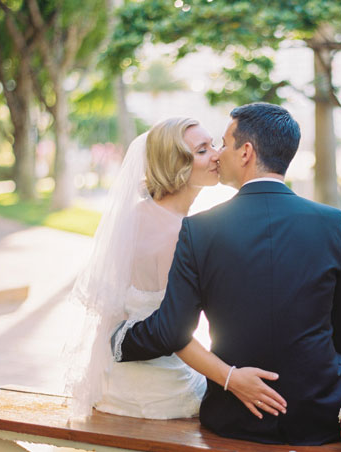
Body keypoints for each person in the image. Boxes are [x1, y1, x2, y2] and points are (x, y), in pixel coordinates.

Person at [113, 103, 341, 445]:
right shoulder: (333, 223)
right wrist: (312, 374)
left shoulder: (200, 230)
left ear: (246, 152)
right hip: (319, 411)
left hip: (234, 415)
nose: (218, 154)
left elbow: (172, 327)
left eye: (225, 144)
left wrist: (119, 343)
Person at [65, 117, 286, 420]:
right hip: (160, 393)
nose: (217, 155)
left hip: (114, 384)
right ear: (176, 164)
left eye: (214, 145)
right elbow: (172, 332)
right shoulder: (178, 234)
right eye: (202, 150)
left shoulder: (136, 216)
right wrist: (232, 379)